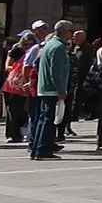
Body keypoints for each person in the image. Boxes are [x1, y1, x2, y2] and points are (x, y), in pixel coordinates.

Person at [26, 21, 72, 159]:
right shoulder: (57, 47)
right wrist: (60, 90)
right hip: (51, 89)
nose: (72, 33)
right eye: (70, 30)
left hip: (45, 87)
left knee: (43, 118)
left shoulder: (49, 44)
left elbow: (38, 65)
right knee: (48, 119)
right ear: (63, 31)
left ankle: (37, 149)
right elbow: (56, 71)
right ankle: (42, 150)